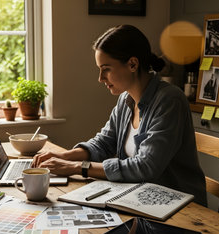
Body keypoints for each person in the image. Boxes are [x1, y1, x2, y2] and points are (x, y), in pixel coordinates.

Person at [32, 24, 207, 206]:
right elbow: (104, 142)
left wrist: (77, 167)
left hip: (181, 209)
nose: (100, 78)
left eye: (106, 68)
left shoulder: (170, 100)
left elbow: (145, 166)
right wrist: (65, 156)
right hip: (141, 200)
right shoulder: (126, 98)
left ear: (133, 64)